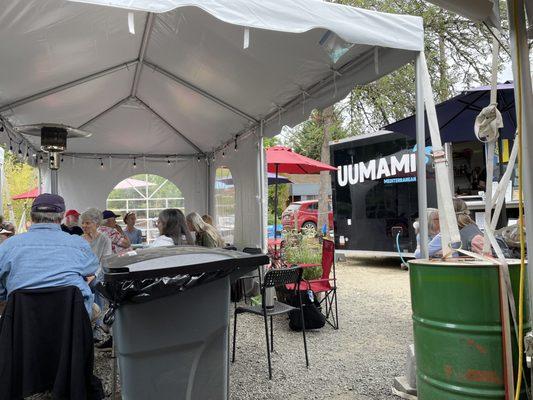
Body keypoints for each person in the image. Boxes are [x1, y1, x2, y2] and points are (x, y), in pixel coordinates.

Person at [0, 193, 99, 317]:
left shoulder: (7, 246)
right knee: (95, 310)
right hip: (71, 324)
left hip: (22, 325)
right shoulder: (78, 244)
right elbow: (92, 268)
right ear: (62, 216)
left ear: (32, 216)